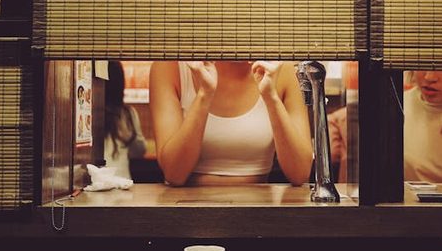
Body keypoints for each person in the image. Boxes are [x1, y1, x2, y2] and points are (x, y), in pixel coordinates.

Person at [149, 60, 313, 186]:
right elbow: (174, 174)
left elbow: (300, 173)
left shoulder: (282, 69)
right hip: (184, 211)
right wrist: (204, 95)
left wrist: (271, 98)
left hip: (257, 213)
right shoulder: (170, 66)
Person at [103, 61, 147, 181]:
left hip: (93, 183)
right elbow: (140, 151)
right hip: (121, 181)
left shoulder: (87, 112)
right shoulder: (127, 114)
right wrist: (128, 138)